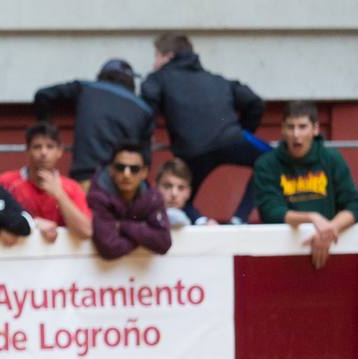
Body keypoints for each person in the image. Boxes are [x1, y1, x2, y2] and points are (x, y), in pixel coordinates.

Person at [140, 33, 267, 223]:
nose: (154, 63)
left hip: (192, 151)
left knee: (179, 196)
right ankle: (239, 219)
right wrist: (241, 132)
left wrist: (146, 134)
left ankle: (200, 221)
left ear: (169, 56)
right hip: (230, 140)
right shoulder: (216, 79)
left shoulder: (158, 78)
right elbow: (254, 102)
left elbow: (146, 108)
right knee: (271, 160)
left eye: (156, 56)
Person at [252, 101, 358, 270]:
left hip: (331, 253)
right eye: (290, 127)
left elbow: (354, 204)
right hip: (283, 255)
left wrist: (330, 230)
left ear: (315, 129)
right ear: (282, 129)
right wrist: (312, 217)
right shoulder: (266, 164)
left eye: (302, 127)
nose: (296, 134)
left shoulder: (331, 159)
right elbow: (270, 211)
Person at [34, 59, 156, 183]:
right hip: (122, 184)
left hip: (85, 177)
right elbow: (145, 158)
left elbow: (43, 95)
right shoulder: (143, 109)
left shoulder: (85, 88)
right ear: (131, 80)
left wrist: (46, 132)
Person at [0, 121, 93, 242]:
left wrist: (60, 195)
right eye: (37, 146)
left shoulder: (72, 187)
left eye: (50, 146)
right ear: (27, 150)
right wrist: (34, 223)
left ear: (59, 151)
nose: (44, 152)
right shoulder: (7, 182)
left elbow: (86, 231)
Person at [87, 143, 173, 260]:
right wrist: (144, 233)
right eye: (120, 168)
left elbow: (163, 242)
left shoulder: (153, 197)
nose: (127, 174)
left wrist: (123, 226)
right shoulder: (98, 196)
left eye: (134, 169)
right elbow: (109, 248)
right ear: (111, 169)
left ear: (144, 173)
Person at [157, 160, 213, 227]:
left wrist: (208, 224)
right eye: (168, 186)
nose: (174, 194)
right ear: (156, 188)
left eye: (181, 188)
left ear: (188, 192)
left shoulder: (190, 212)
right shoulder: (146, 211)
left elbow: (201, 221)